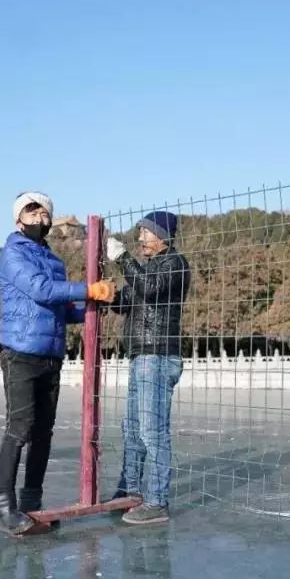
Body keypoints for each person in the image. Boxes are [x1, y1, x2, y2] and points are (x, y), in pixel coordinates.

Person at [0, 191, 114, 535]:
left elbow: (61, 305)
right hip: (21, 352)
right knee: (20, 428)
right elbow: (43, 290)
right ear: (18, 219)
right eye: (31, 211)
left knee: (43, 431)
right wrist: (88, 290)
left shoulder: (55, 260)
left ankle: (32, 501)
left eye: (43, 212)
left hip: (51, 354)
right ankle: (3, 501)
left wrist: (96, 304)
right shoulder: (12, 253)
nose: (38, 217)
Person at [105, 211, 191, 525]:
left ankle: (156, 501)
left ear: (162, 236)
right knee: (132, 430)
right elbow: (128, 299)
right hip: (140, 356)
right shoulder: (148, 268)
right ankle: (129, 491)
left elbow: (150, 288)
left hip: (157, 356)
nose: (140, 237)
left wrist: (122, 259)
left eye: (145, 232)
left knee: (152, 432)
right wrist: (109, 294)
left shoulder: (175, 264)